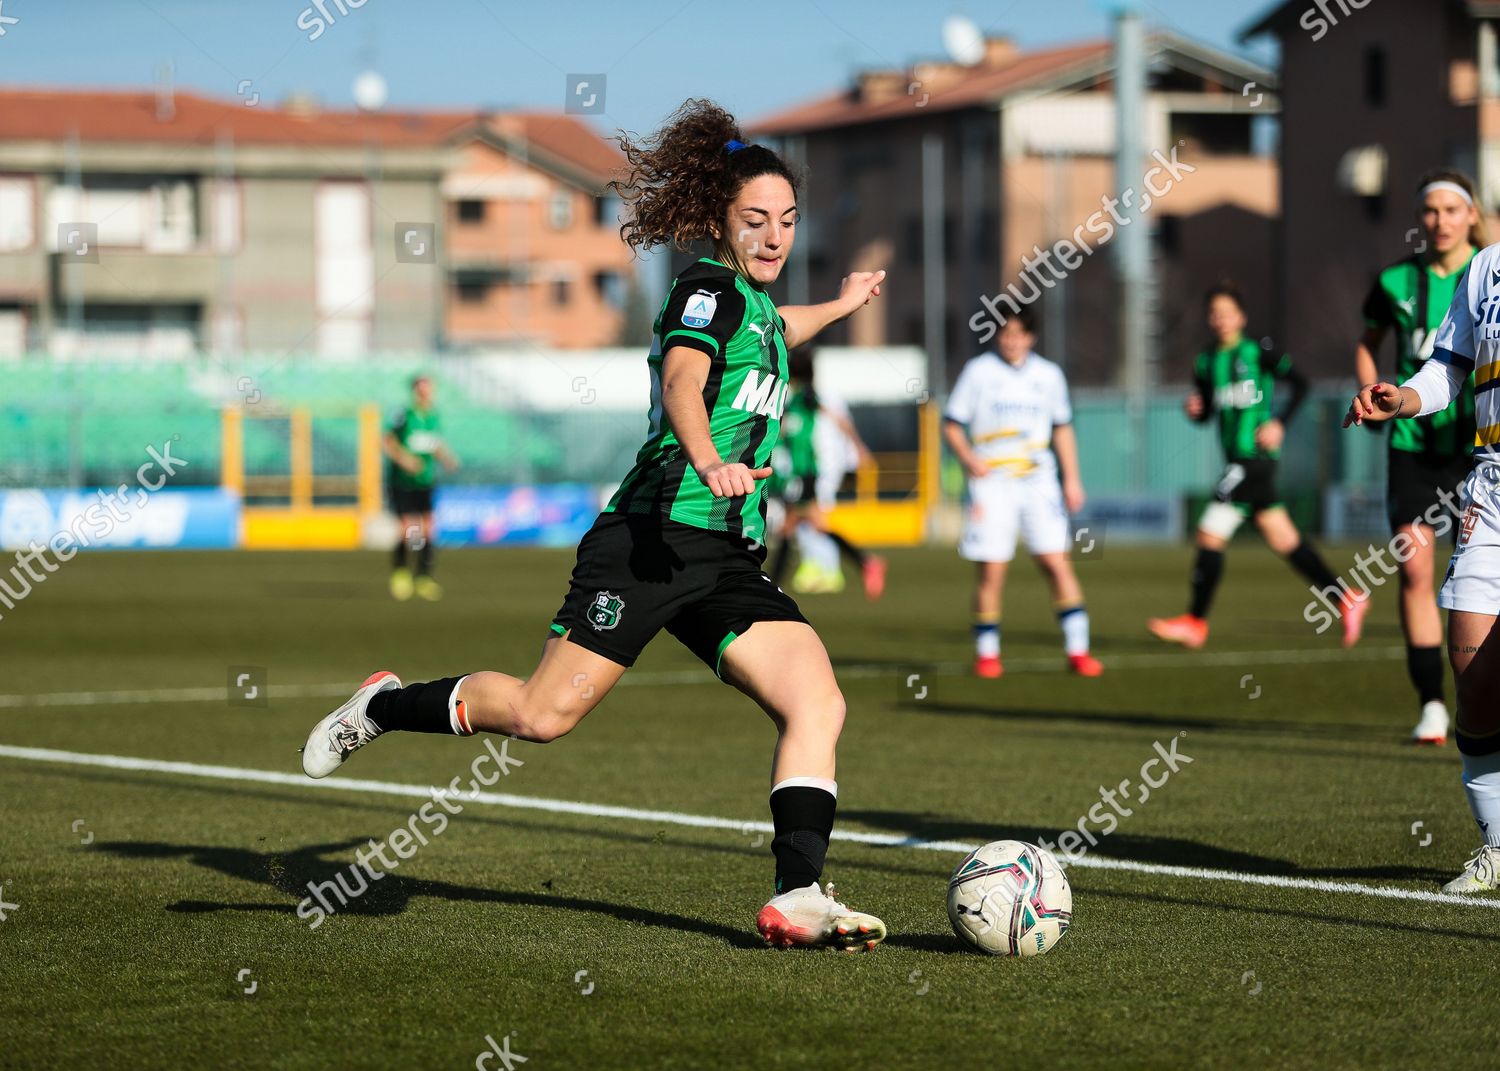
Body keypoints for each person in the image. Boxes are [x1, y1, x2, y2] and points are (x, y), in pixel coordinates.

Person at [301, 99, 891, 948]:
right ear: (718, 222)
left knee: (816, 699)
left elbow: (780, 327)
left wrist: (840, 304)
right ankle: (386, 707)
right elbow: (685, 384)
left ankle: (797, 894)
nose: (774, 237)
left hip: (722, 554)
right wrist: (708, 458)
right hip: (649, 540)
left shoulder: (759, 311)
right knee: (542, 717)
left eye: (788, 221)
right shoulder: (704, 290)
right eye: (755, 220)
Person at [1345, 237, 1500, 892]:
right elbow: (1447, 367)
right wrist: (1401, 398)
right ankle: (1498, 842)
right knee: (1473, 674)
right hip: (1491, 485)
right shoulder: (1485, 267)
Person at [1149, 284, 1368, 649]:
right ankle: (1346, 598)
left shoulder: (1258, 352)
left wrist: (1279, 422)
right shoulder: (1205, 362)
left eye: (1227, 311)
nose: (1220, 319)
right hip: (1235, 457)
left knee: (1209, 530)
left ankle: (1195, 622)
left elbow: (1301, 385)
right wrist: (1196, 411)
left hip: (1256, 460)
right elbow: (1206, 412)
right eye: (1214, 313)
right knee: (1284, 539)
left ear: (1241, 317)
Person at [1355, 170, 1485, 745]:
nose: (1440, 220)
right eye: (1429, 210)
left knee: (1479, 584)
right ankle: (1432, 701)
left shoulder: (1487, 272)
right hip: (1412, 448)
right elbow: (1368, 342)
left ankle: (1478, 700)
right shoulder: (1392, 281)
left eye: (1451, 210)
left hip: (1475, 453)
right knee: (1414, 569)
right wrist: (1380, 392)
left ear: (1472, 216)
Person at [942, 308, 1104, 679]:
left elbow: (1062, 429)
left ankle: (1078, 651)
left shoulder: (1048, 376)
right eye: (1005, 334)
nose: (1011, 341)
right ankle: (987, 655)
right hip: (992, 484)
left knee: (1056, 564)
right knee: (992, 571)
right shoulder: (979, 372)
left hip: (1039, 482)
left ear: (1031, 337)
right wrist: (969, 460)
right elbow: (952, 424)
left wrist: (1072, 479)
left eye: (1018, 334)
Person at [769, 349, 886, 599]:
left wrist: (858, 446)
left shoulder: (806, 396)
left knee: (790, 527)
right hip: (797, 471)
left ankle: (773, 585)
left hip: (803, 471)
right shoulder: (792, 396)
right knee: (807, 524)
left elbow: (838, 419)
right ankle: (866, 562)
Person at [385, 375, 459, 602]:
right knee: (409, 529)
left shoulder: (433, 416)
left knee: (428, 528)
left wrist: (446, 457)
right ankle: (401, 573)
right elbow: (386, 441)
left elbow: (433, 443)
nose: (425, 393)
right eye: (421, 389)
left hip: (425, 480)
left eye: (428, 389)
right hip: (403, 482)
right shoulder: (404, 414)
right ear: (415, 391)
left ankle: (424, 577)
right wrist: (404, 460)